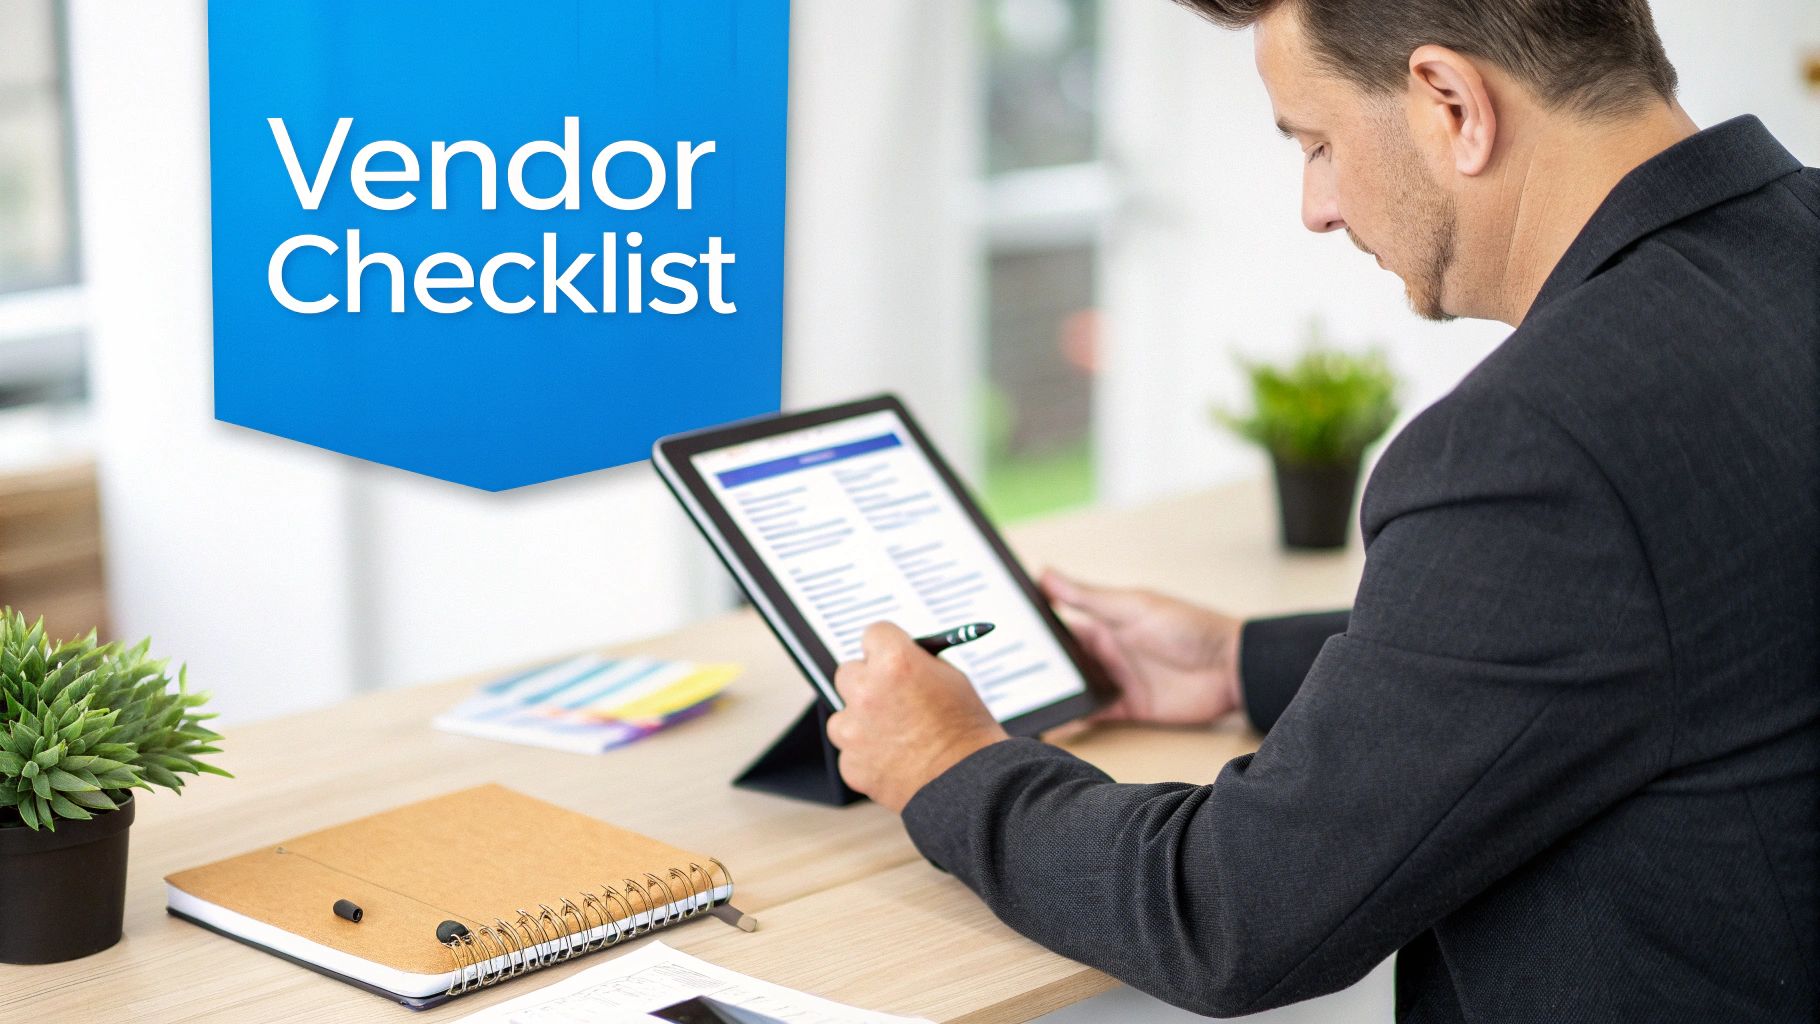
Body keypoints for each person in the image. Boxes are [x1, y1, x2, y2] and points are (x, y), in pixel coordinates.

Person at [821, 0, 1820, 1020]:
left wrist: (945, 763)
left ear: (1449, 102)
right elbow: (1680, 623)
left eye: (1316, 143)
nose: (1315, 206)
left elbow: (1226, 910)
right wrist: (1236, 663)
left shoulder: (1539, 442)